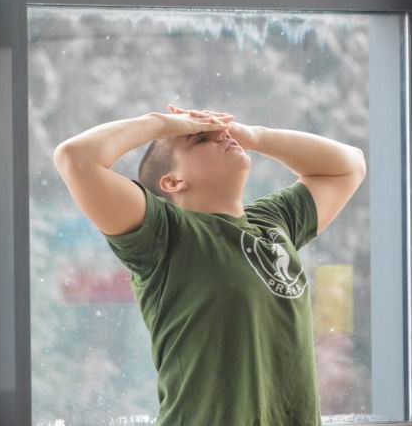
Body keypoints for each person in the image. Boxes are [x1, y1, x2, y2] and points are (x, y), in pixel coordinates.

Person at [52, 104, 366, 426]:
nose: (222, 135)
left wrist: (255, 136)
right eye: (201, 139)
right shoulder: (165, 234)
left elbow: (349, 166)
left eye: (220, 132)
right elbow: (75, 158)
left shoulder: (273, 222)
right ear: (173, 182)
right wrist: (163, 124)